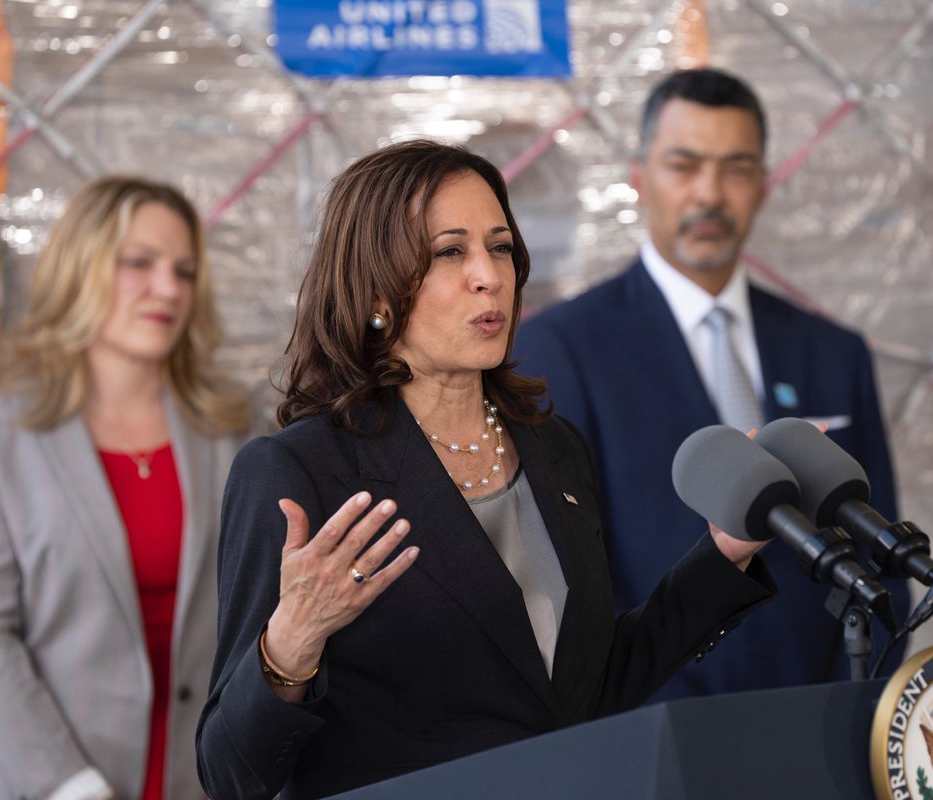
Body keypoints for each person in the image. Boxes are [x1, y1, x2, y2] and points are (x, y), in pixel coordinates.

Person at [195, 140, 776, 800]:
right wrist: (289, 645)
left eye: (500, 247)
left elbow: (583, 693)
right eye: (451, 251)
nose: (489, 275)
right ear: (377, 288)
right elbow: (230, 774)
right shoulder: (297, 471)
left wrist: (724, 553)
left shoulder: (553, 447)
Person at [514, 67, 911, 704]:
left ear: (763, 183)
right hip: (654, 732)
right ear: (638, 178)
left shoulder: (834, 352)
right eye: (684, 165)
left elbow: (880, 555)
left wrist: (856, 711)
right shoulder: (561, 350)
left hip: (825, 727)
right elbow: (559, 584)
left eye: (735, 168)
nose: (709, 193)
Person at [0, 176, 250, 800]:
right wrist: (70, 784)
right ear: (80, 269)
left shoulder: (235, 433)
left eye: (184, 271)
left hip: (204, 780)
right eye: (140, 263)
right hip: (52, 783)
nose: (168, 289)